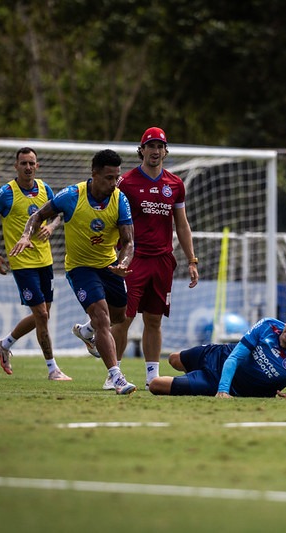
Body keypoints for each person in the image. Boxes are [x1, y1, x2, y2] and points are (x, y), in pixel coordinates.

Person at [73, 127, 199, 391]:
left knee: (154, 320)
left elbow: (182, 225)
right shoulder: (126, 182)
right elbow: (108, 216)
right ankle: (114, 373)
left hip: (163, 261)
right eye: (150, 146)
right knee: (123, 319)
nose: (155, 151)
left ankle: (152, 375)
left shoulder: (175, 184)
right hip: (133, 260)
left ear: (166, 151)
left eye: (159, 146)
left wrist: (192, 260)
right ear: (141, 150)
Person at [10, 149, 137, 394]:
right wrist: (26, 235)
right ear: (94, 174)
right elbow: (38, 216)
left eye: (116, 178)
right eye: (109, 178)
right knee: (102, 317)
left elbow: (129, 241)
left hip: (109, 266)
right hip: (80, 268)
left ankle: (86, 331)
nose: (114, 183)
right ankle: (116, 377)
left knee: (119, 316)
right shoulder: (71, 195)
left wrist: (123, 263)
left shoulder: (120, 199)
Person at [0, 147, 70, 381]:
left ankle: (4, 344)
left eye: (32, 163)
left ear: (37, 166)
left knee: (43, 315)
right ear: (16, 166)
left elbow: (60, 213)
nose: (28, 167)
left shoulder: (45, 189)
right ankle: (53, 369)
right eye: (23, 163)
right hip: (21, 263)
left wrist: (52, 226)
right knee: (41, 314)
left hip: (45, 261)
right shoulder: (5, 194)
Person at [148, 307, 286, 398]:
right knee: (174, 359)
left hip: (223, 384)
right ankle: (194, 376)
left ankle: (195, 380)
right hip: (220, 356)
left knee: (156, 385)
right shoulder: (268, 326)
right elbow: (235, 357)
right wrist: (223, 390)